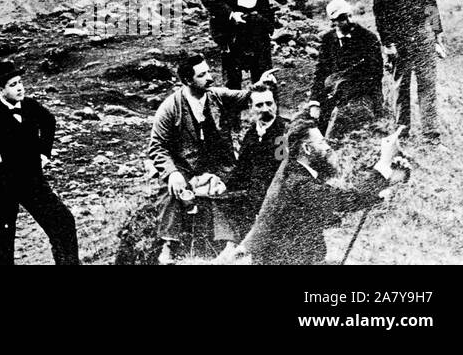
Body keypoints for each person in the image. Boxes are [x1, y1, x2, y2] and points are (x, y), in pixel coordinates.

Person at [148, 54, 274, 263]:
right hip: (185, 168)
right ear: (188, 81)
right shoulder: (170, 107)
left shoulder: (216, 96)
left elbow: (245, 97)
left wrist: (260, 84)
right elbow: (157, 146)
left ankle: (230, 243)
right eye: (202, 74)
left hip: (219, 165)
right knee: (170, 192)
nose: (210, 78)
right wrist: (172, 173)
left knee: (232, 191)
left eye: (208, 71)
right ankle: (168, 245)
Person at [234, 119, 403, 265]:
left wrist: (389, 176)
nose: (328, 147)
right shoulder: (299, 183)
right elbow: (343, 199)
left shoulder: (295, 175)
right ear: (307, 149)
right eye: (322, 142)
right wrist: (383, 163)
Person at [0, 61, 80, 266]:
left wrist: (44, 153)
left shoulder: (31, 107)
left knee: (63, 222)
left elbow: (49, 121)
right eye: (13, 85)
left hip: (31, 182)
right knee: (3, 243)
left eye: (20, 82)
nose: (20, 87)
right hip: (0, 187)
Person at [374, 0, 444, 142]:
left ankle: (431, 136)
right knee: (401, 84)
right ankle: (401, 135)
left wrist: (436, 32)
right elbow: (380, 9)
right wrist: (387, 41)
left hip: (424, 32)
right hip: (400, 35)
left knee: (428, 82)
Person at [310, 0, 384, 139]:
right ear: (333, 22)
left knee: (343, 120)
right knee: (315, 125)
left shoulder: (368, 38)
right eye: (343, 18)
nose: (349, 21)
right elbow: (320, 72)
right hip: (336, 95)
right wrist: (314, 101)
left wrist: (345, 90)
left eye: (350, 15)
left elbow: (375, 74)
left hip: (363, 93)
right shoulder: (328, 40)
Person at [225, 81, 288, 235]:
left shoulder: (284, 132)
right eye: (259, 105)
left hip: (275, 195)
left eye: (269, 103)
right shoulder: (251, 133)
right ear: (250, 107)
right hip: (252, 194)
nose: (265, 109)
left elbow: (282, 170)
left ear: (275, 104)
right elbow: (242, 169)